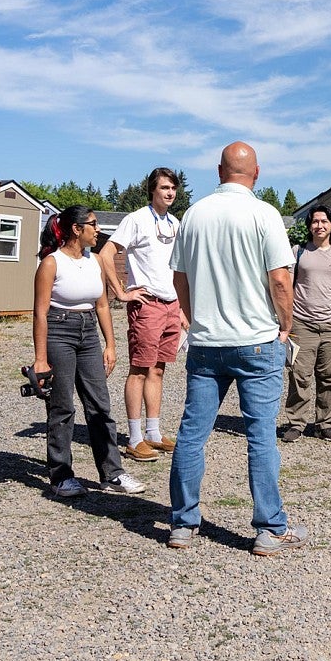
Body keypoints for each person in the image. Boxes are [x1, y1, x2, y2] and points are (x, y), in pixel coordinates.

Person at [166, 142, 308, 556]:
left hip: (208, 344)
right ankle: (268, 529)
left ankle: (182, 524)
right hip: (257, 343)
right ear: (257, 173)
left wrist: (193, 319)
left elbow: (179, 278)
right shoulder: (264, 214)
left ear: (218, 171)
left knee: (193, 434)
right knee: (261, 436)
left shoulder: (194, 214)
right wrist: (286, 324)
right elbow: (280, 278)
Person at [30, 205, 145, 499]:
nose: (99, 230)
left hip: (88, 333)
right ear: (76, 229)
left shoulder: (95, 261)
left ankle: (113, 474)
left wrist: (111, 344)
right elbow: (40, 314)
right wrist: (41, 359)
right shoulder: (51, 264)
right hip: (59, 330)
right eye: (93, 224)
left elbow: (103, 304)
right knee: (62, 406)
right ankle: (61, 477)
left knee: (100, 405)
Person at [99, 167, 186, 463]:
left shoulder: (175, 223)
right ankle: (134, 439)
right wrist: (122, 293)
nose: (170, 193)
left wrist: (183, 307)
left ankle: (153, 432)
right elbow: (106, 254)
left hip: (171, 304)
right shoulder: (135, 219)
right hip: (146, 304)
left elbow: (179, 268)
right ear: (152, 190)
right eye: (164, 188)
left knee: (159, 369)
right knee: (139, 368)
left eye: (173, 188)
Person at [281, 205, 331, 443]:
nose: (319, 225)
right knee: (299, 376)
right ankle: (296, 424)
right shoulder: (298, 252)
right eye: (314, 221)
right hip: (302, 324)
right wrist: (287, 321)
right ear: (309, 225)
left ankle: (325, 423)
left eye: (323, 221)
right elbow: (288, 287)